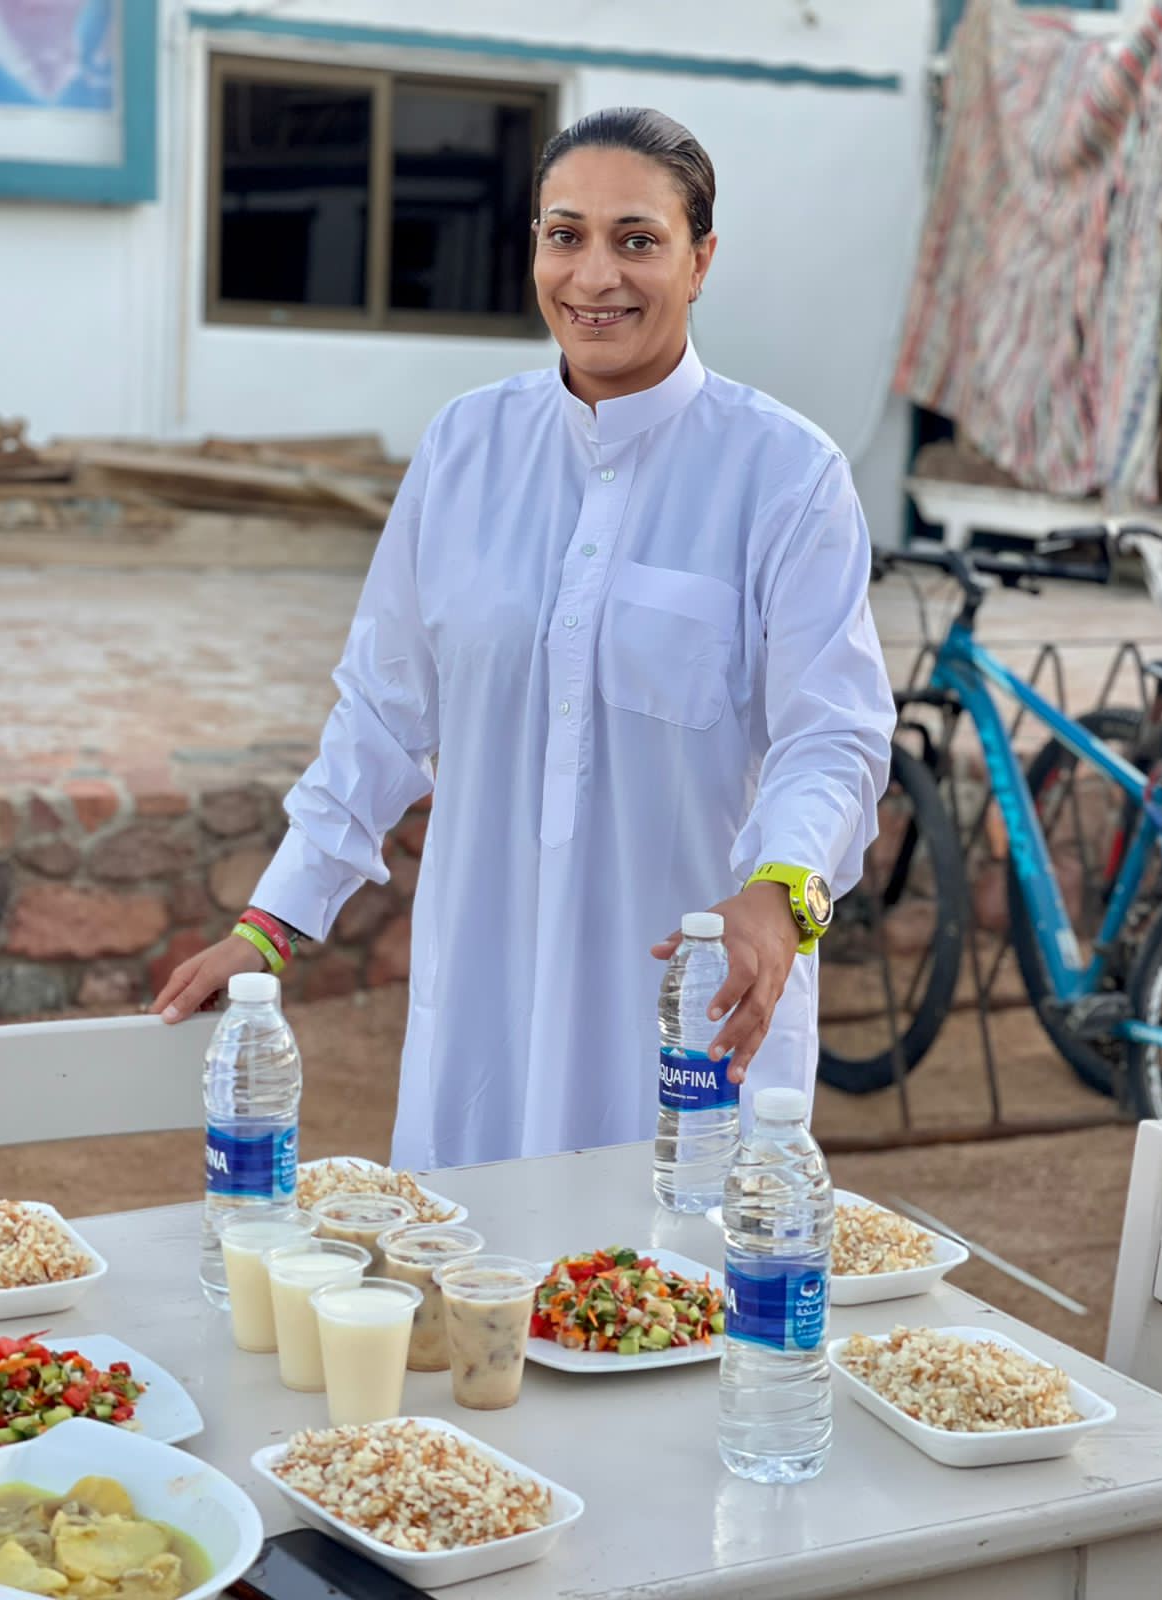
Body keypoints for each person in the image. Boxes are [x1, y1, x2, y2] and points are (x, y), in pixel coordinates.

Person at [153, 106, 896, 1171]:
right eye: (565, 235)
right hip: (482, 1015)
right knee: (471, 1258)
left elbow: (834, 735)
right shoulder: (465, 449)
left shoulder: (786, 475)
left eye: (637, 239)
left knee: (670, 1270)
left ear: (700, 261)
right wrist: (273, 921)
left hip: (690, 1011)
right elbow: (382, 712)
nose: (595, 275)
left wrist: (783, 897)